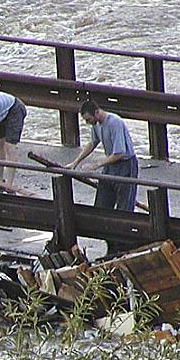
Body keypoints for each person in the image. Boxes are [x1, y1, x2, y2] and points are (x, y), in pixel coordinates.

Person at [66, 101, 138, 254]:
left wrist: (96, 165)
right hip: (109, 166)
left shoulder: (114, 123)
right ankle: (110, 245)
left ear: (97, 112)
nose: (87, 123)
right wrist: (76, 161)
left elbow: (120, 153)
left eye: (88, 119)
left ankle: (121, 248)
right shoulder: (96, 125)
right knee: (101, 208)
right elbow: (92, 143)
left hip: (125, 165)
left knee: (124, 210)